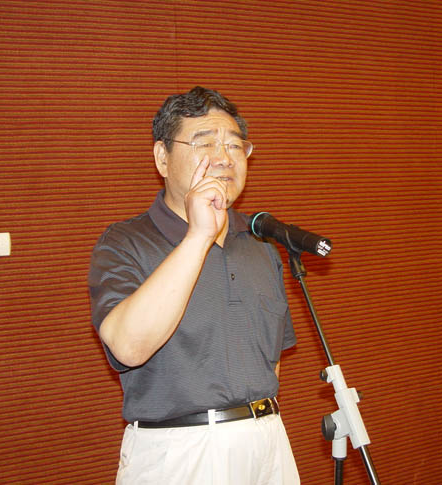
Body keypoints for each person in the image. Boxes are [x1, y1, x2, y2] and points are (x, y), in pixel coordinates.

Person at [88, 86, 300, 485]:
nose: (224, 158)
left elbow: (271, 361)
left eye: (235, 146)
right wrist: (198, 236)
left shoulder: (259, 244)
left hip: (268, 442)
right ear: (162, 158)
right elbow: (128, 347)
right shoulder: (125, 242)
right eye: (205, 143)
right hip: (180, 451)